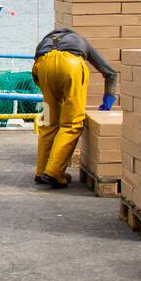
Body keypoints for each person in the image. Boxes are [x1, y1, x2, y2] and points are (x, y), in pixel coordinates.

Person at [32, 28, 119, 189]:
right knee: (71, 124)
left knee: (49, 123)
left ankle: (41, 171)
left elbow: (36, 75)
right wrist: (108, 101)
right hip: (70, 66)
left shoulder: (44, 42)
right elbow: (111, 73)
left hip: (43, 67)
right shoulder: (81, 41)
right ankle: (53, 173)